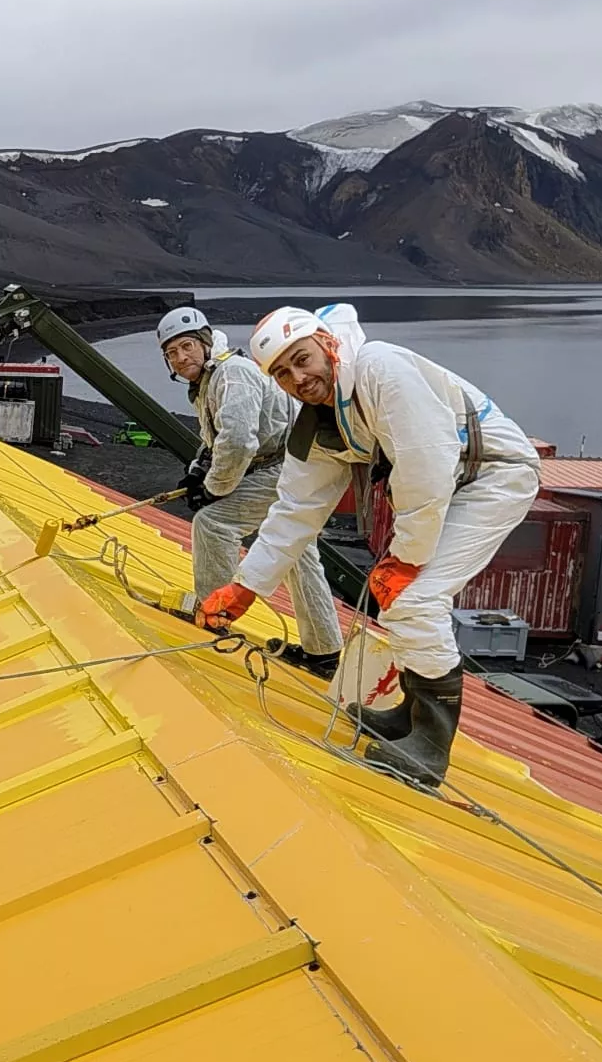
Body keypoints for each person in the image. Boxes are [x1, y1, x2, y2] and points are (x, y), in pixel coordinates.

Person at [197, 303, 541, 788]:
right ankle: (412, 714)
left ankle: (430, 748)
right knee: (397, 599)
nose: (298, 378)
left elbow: (426, 465)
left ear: (327, 343)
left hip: (493, 474)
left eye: (302, 359)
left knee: (416, 599)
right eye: (283, 373)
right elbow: (296, 510)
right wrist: (245, 587)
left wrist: (406, 559)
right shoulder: (325, 421)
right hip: (454, 482)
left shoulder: (380, 369)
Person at [156, 306, 342, 677]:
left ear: (205, 343)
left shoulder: (232, 373)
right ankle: (324, 651)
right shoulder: (214, 377)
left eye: (187, 346)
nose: (181, 357)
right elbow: (220, 436)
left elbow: (240, 442)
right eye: (172, 353)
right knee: (296, 550)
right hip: (291, 463)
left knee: (213, 523)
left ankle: (213, 616)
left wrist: (213, 489)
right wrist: (199, 469)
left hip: (278, 467)